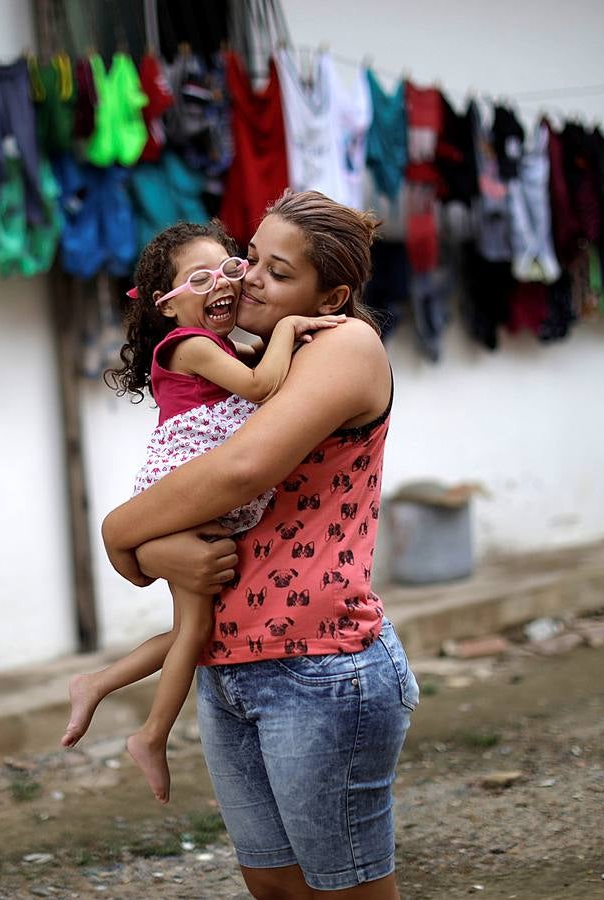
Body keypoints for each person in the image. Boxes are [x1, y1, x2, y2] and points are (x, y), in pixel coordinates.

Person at [101, 190, 418, 899]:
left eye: (277, 272)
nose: (246, 278)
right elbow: (195, 501)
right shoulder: (239, 355)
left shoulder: (343, 345)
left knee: (343, 893)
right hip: (229, 662)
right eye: (250, 258)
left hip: (321, 669)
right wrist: (155, 552)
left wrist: (119, 533)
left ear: (328, 294)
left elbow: (240, 471)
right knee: (273, 886)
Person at [62, 220, 346, 804]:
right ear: (166, 306)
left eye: (228, 269)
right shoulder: (189, 345)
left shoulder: (215, 344)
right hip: (186, 492)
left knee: (195, 629)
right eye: (198, 278)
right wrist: (291, 325)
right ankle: (151, 734)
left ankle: (97, 684)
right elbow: (263, 386)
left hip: (197, 496)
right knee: (194, 628)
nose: (221, 283)